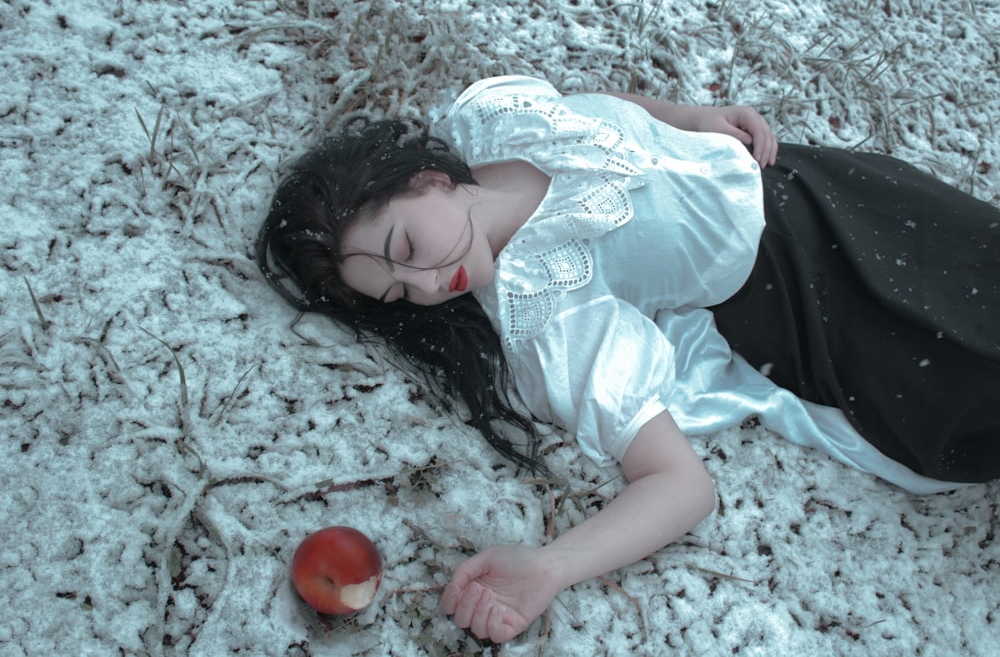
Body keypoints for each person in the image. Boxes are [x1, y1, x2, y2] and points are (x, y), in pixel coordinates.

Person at [257, 76, 1000, 642]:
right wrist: (550, 567)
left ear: (426, 179)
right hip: (815, 304)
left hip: (825, 187)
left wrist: (692, 119)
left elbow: (597, 104)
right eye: (396, 295)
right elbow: (680, 485)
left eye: (406, 250)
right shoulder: (549, 316)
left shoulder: (491, 116)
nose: (425, 286)